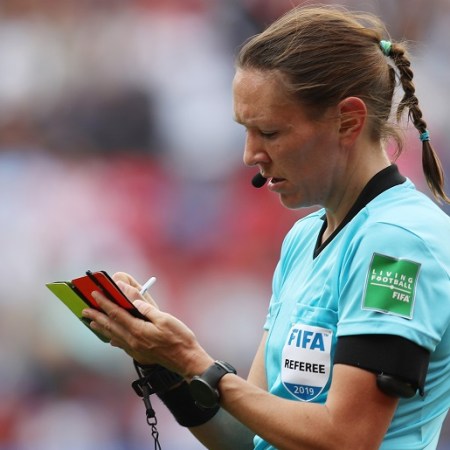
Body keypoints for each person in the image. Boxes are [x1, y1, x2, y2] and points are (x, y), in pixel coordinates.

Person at [82, 5, 450, 449]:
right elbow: (249, 439)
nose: (249, 155)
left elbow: (348, 439)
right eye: (245, 130)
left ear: (349, 121)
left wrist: (194, 361)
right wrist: (164, 362)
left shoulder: (399, 244)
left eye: (270, 133)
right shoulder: (303, 238)